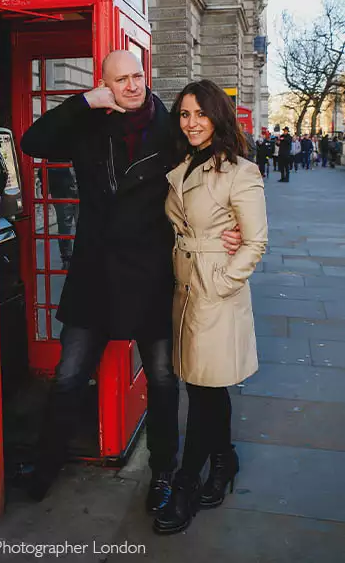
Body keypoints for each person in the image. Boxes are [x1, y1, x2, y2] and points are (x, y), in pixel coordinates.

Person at [19, 51, 242, 506]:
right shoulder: (89, 123)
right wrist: (84, 102)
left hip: (153, 275)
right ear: (106, 85)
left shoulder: (172, 128)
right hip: (95, 275)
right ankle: (45, 464)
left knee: (161, 379)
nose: (132, 85)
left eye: (137, 75)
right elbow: (32, 141)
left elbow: (221, 164)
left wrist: (233, 223)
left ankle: (163, 471)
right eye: (120, 80)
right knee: (68, 375)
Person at [153, 80, 268, 535]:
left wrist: (223, 282)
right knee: (206, 386)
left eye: (200, 113)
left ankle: (185, 483)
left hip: (214, 291)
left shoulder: (240, 171)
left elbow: (255, 239)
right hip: (184, 287)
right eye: (184, 114)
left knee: (202, 390)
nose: (192, 122)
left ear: (217, 116)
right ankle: (225, 461)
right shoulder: (182, 164)